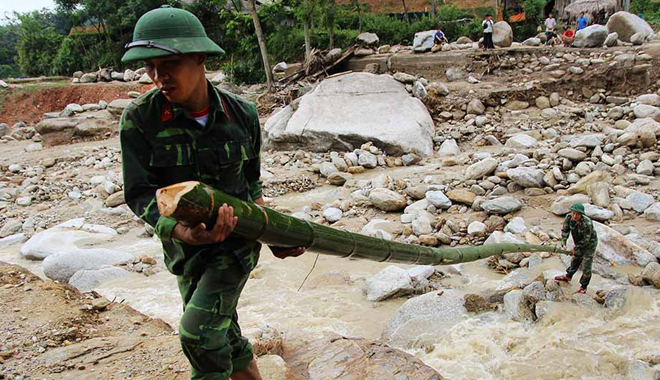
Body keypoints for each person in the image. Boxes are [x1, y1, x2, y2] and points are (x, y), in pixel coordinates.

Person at [119, 5, 305, 380]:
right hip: (184, 250)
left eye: (167, 64)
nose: (158, 77)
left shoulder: (242, 115)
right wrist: (180, 231)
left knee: (198, 334)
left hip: (235, 246)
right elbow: (139, 193)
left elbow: (252, 186)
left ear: (200, 57)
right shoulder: (140, 120)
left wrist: (274, 235)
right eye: (149, 67)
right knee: (225, 335)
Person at [555, 203, 598, 294]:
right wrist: (563, 242)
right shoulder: (568, 218)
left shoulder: (587, 223)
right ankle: (568, 276)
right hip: (578, 241)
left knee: (586, 265)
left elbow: (586, 239)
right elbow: (565, 230)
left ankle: (583, 287)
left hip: (590, 244)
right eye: (573, 213)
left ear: (581, 214)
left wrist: (576, 248)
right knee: (576, 259)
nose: (574, 216)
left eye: (577, 214)